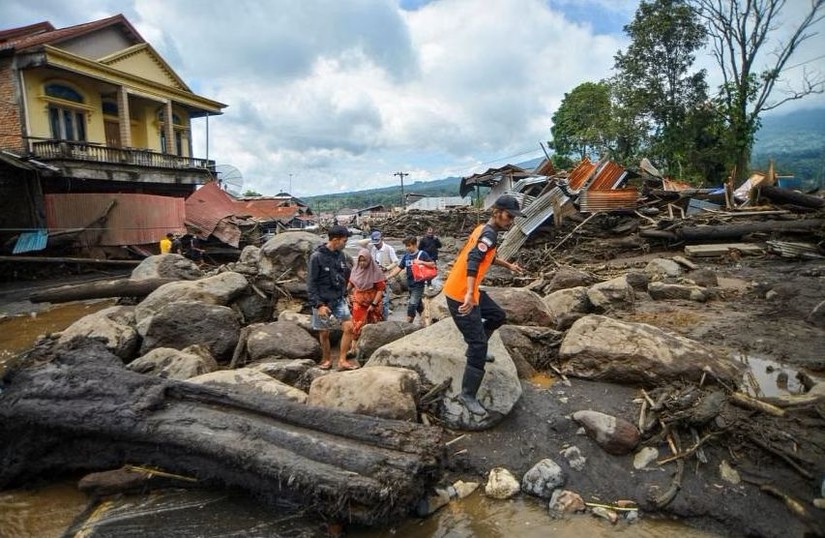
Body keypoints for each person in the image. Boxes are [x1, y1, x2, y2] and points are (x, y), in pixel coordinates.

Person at [443, 195, 525, 416]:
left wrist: (509, 266)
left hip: (467, 290)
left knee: (498, 316)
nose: (511, 221)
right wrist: (470, 293)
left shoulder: (485, 230)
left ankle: (474, 350)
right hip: (460, 294)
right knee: (479, 344)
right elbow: (473, 260)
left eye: (513, 218)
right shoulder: (488, 233)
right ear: (497, 212)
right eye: (509, 216)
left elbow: (487, 256)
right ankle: (467, 395)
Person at [307, 225, 357, 370]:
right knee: (324, 333)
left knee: (349, 327)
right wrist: (318, 305)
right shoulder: (316, 257)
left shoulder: (341, 255)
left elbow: (343, 276)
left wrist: (347, 293)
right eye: (344, 241)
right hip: (322, 301)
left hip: (338, 299)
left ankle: (342, 360)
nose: (345, 244)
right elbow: (311, 283)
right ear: (335, 240)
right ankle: (327, 359)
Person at [346, 248, 386, 357]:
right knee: (357, 324)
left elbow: (380, 290)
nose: (362, 263)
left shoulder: (376, 272)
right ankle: (353, 349)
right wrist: (346, 294)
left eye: (364, 260)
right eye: (360, 260)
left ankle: (372, 348)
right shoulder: (355, 270)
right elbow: (351, 284)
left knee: (373, 324)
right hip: (358, 302)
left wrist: (373, 304)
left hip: (373, 302)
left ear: (369, 260)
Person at [386, 236, 435, 324]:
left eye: (409, 245)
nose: (407, 248)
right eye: (406, 246)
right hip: (410, 284)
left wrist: (421, 262)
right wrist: (388, 277)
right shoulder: (406, 256)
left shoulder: (422, 254)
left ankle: (408, 325)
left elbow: (432, 264)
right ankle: (425, 320)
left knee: (412, 305)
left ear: (415, 244)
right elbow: (399, 268)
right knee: (418, 304)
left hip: (419, 285)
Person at [358, 230, 399, 319]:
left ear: (382, 239)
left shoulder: (389, 249)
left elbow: (396, 262)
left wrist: (386, 268)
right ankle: (377, 318)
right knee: (375, 299)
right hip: (374, 278)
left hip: (385, 277)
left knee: (384, 300)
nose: (376, 244)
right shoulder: (373, 249)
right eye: (374, 242)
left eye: (377, 242)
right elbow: (360, 243)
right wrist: (372, 239)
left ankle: (384, 318)